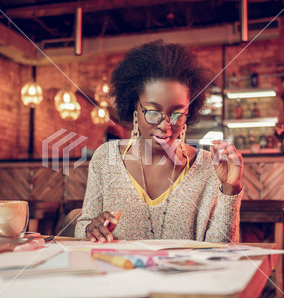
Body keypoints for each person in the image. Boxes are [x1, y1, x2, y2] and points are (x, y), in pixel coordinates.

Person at [75, 40, 243, 243]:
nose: (165, 125)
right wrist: (91, 229)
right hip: (119, 273)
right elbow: (83, 227)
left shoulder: (209, 167)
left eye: (177, 113)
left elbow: (223, 248)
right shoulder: (105, 158)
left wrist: (230, 188)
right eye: (153, 112)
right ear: (134, 107)